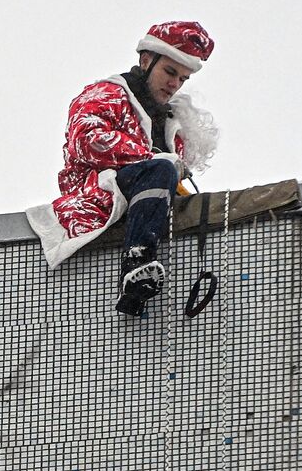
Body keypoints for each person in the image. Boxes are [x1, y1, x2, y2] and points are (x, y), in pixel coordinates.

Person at [26, 21, 218, 316]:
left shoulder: (171, 122)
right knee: (160, 172)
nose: (174, 85)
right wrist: (152, 159)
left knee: (165, 176)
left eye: (182, 79)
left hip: (148, 207)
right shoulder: (106, 94)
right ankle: (136, 262)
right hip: (99, 196)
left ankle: (137, 289)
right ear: (145, 60)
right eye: (169, 72)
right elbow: (86, 139)